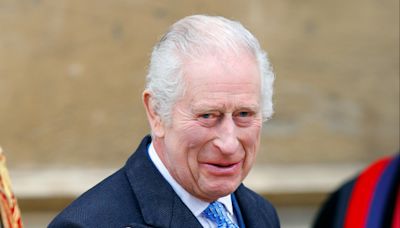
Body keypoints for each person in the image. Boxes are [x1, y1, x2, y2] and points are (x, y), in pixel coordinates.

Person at [49, 14, 280, 228]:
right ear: (156, 112)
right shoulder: (88, 224)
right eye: (208, 116)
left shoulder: (261, 214)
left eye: (244, 115)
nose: (229, 144)